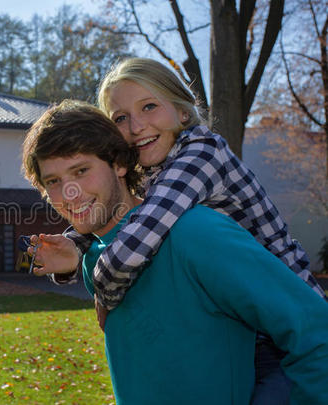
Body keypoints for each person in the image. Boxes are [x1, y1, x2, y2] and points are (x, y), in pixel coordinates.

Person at [32, 57, 326, 404]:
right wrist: (76, 245)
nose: (137, 125)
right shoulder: (156, 170)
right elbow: (120, 215)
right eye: (121, 118)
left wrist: (102, 287)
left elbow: (138, 237)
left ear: (183, 112)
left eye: (150, 106)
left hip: (282, 329)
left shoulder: (199, 156)